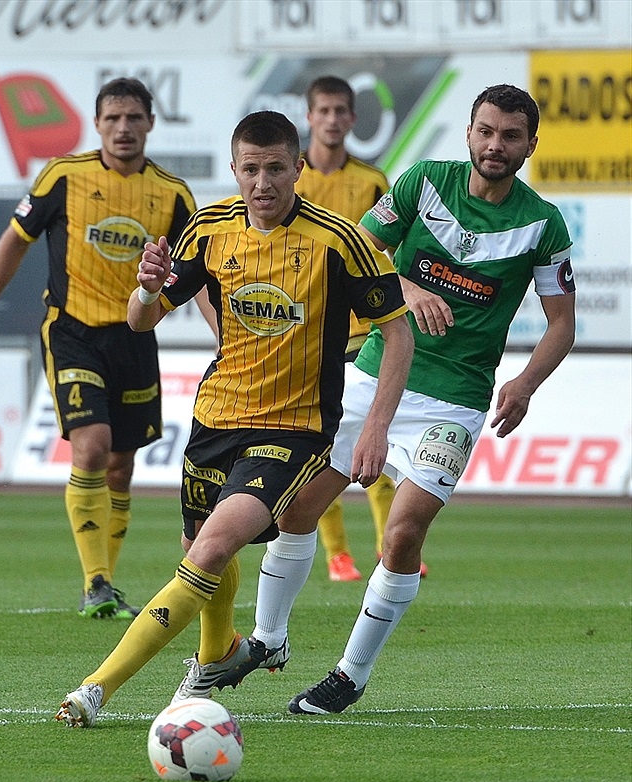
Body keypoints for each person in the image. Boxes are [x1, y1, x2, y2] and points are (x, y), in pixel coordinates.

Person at [214, 84, 577, 714]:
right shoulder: (422, 182)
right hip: (376, 375)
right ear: (468, 134)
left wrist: (523, 384)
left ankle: (349, 676)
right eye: (485, 131)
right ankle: (269, 639)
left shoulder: (543, 224)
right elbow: (358, 249)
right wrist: (406, 288)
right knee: (295, 509)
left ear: (530, 145)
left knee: (402, 535)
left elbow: (562, 325)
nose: (495, 146)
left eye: (510, 136)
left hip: (455, 400)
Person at [55, 109, 414, 728]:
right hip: (215, 418)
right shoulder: (209, 228)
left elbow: (398, 332)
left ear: (298, 169)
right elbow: (144, 319)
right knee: (199, 544)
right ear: (235, 170)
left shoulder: (338, 240)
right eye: (251, 169)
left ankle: (95, 688)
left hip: (294, 429)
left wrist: (377, 423)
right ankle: (216, 653)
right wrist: (144, 288)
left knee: (216, 544)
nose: (263, 182)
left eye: (276, 168)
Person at [0, 78, 199, 620]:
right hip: (71, 331)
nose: (123, 128)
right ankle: (95, 582)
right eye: (112, 118)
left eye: (133, 118)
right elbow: (15, 240)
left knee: (120, 466)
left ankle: (106, 582)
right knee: (90, 446)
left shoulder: (174, 195)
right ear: (97, 124)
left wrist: (225, 335)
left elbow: (197, 275)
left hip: (135, 337)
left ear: (150, 124)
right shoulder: (63, 177)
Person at [295, 75, 409, 583]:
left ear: (353, 119)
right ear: (310, 116)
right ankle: (337, 554)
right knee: (321, 447)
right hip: (306, 332)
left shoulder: (372, 181)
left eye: (342, 111)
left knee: (372, 439)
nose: (334, 119)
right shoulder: (290, 178)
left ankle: (392, 549)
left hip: (363, 330)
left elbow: (394, 252)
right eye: (325, 110)